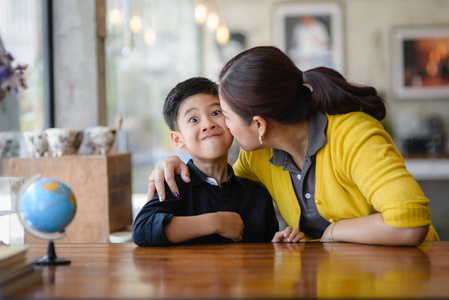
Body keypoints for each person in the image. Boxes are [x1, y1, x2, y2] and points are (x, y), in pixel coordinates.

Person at [147, 46, 440, 246]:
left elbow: (409, 221)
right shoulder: (256, 159)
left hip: (408, 274)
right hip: (332, 279)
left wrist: (333, 232)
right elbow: (220, 186)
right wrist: (174, 163)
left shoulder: (352, 135)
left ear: (259, 125)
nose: (220, 124)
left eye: (224, 114)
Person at [133, 77, 303, 247]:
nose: (208, 124)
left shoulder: (257, 193)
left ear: (231, 120)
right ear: (177, 139)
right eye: (193, 119)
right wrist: (216, 222)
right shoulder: (173, 185)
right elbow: (142, 231)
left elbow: (265, 250)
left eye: (216, 113)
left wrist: (278, 245)